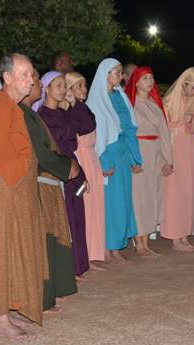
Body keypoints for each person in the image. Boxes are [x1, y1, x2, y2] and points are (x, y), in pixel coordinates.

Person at [0, 53, 46, 338]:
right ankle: (1, 321)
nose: (31, 80)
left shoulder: (12, 106)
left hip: (17, 190)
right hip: (4, 190)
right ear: (7, 77)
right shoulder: (0, 107)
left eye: (31, 74)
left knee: (15, 249)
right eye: (24, 74)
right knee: (2, 250)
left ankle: (10, 309)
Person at [21, 69, 78, 311]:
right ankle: (43, 297)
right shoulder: (24, 115)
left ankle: (56, 289)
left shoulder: (31, 114)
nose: (38, 85)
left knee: (56, 236)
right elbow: (39, 153)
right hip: (40, 183)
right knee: (45, 239)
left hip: (51, 182)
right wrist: (66, 166)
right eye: (35, 82)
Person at [87, 58, 142, 262]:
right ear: (106, 74)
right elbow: (98, 135)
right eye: (117, 72)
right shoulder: (96, 100)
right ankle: (108, 246)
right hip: (108, 154)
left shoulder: (120, 96)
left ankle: (117, 245)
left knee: (124, 200)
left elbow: (130, 127)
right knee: (111, 202)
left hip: (123, 153)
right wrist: (104, 160)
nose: (121, 76)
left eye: (120, 72)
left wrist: (135, 157)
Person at [37, 71, 90, 276]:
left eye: (64, 86)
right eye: (58, 85)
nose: (63, 90)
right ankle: (68, 268)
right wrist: (66, 167)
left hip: (73, 166)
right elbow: (51, 148)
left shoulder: (63, 112)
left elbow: (86, 126)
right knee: (65, 219)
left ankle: (79, 265)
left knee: (77, 217)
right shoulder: (42, 115)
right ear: (47, 88)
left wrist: (74, 102)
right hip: (58, 171)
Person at [124, 66, 173, 256]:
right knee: (140, 198)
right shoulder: (130, 104)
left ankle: (146, 242)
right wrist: (132, 158)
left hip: (155, 153)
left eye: (151, 78)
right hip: (139, 151)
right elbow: (126, 134)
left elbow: (164, 133)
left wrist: (168, 160)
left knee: (153, 196)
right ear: (135, 82)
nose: (150, 81)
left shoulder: (154, 103)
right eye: (145, 78)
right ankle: (139, 243)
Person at [64, 72, 107, 269]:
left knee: (95, 206)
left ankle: (94, 252)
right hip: (81, 158)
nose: (84, 89)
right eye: (79, 86)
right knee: (85, 208)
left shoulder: (83, 107)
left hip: (91, 158)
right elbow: (81, 129)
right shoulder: (68, 110)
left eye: (85, 85)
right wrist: (72, 104)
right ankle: (85, 256)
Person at [161, 67, 194, 251]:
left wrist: (191, 120)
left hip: (189, 149)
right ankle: (175, 238)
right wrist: (181, 121)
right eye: (192, 87)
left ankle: (184, 235)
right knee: (174, 193)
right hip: (174, 148)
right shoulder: (168, 102)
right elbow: (163, 128)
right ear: (183, 84)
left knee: (189, 191)